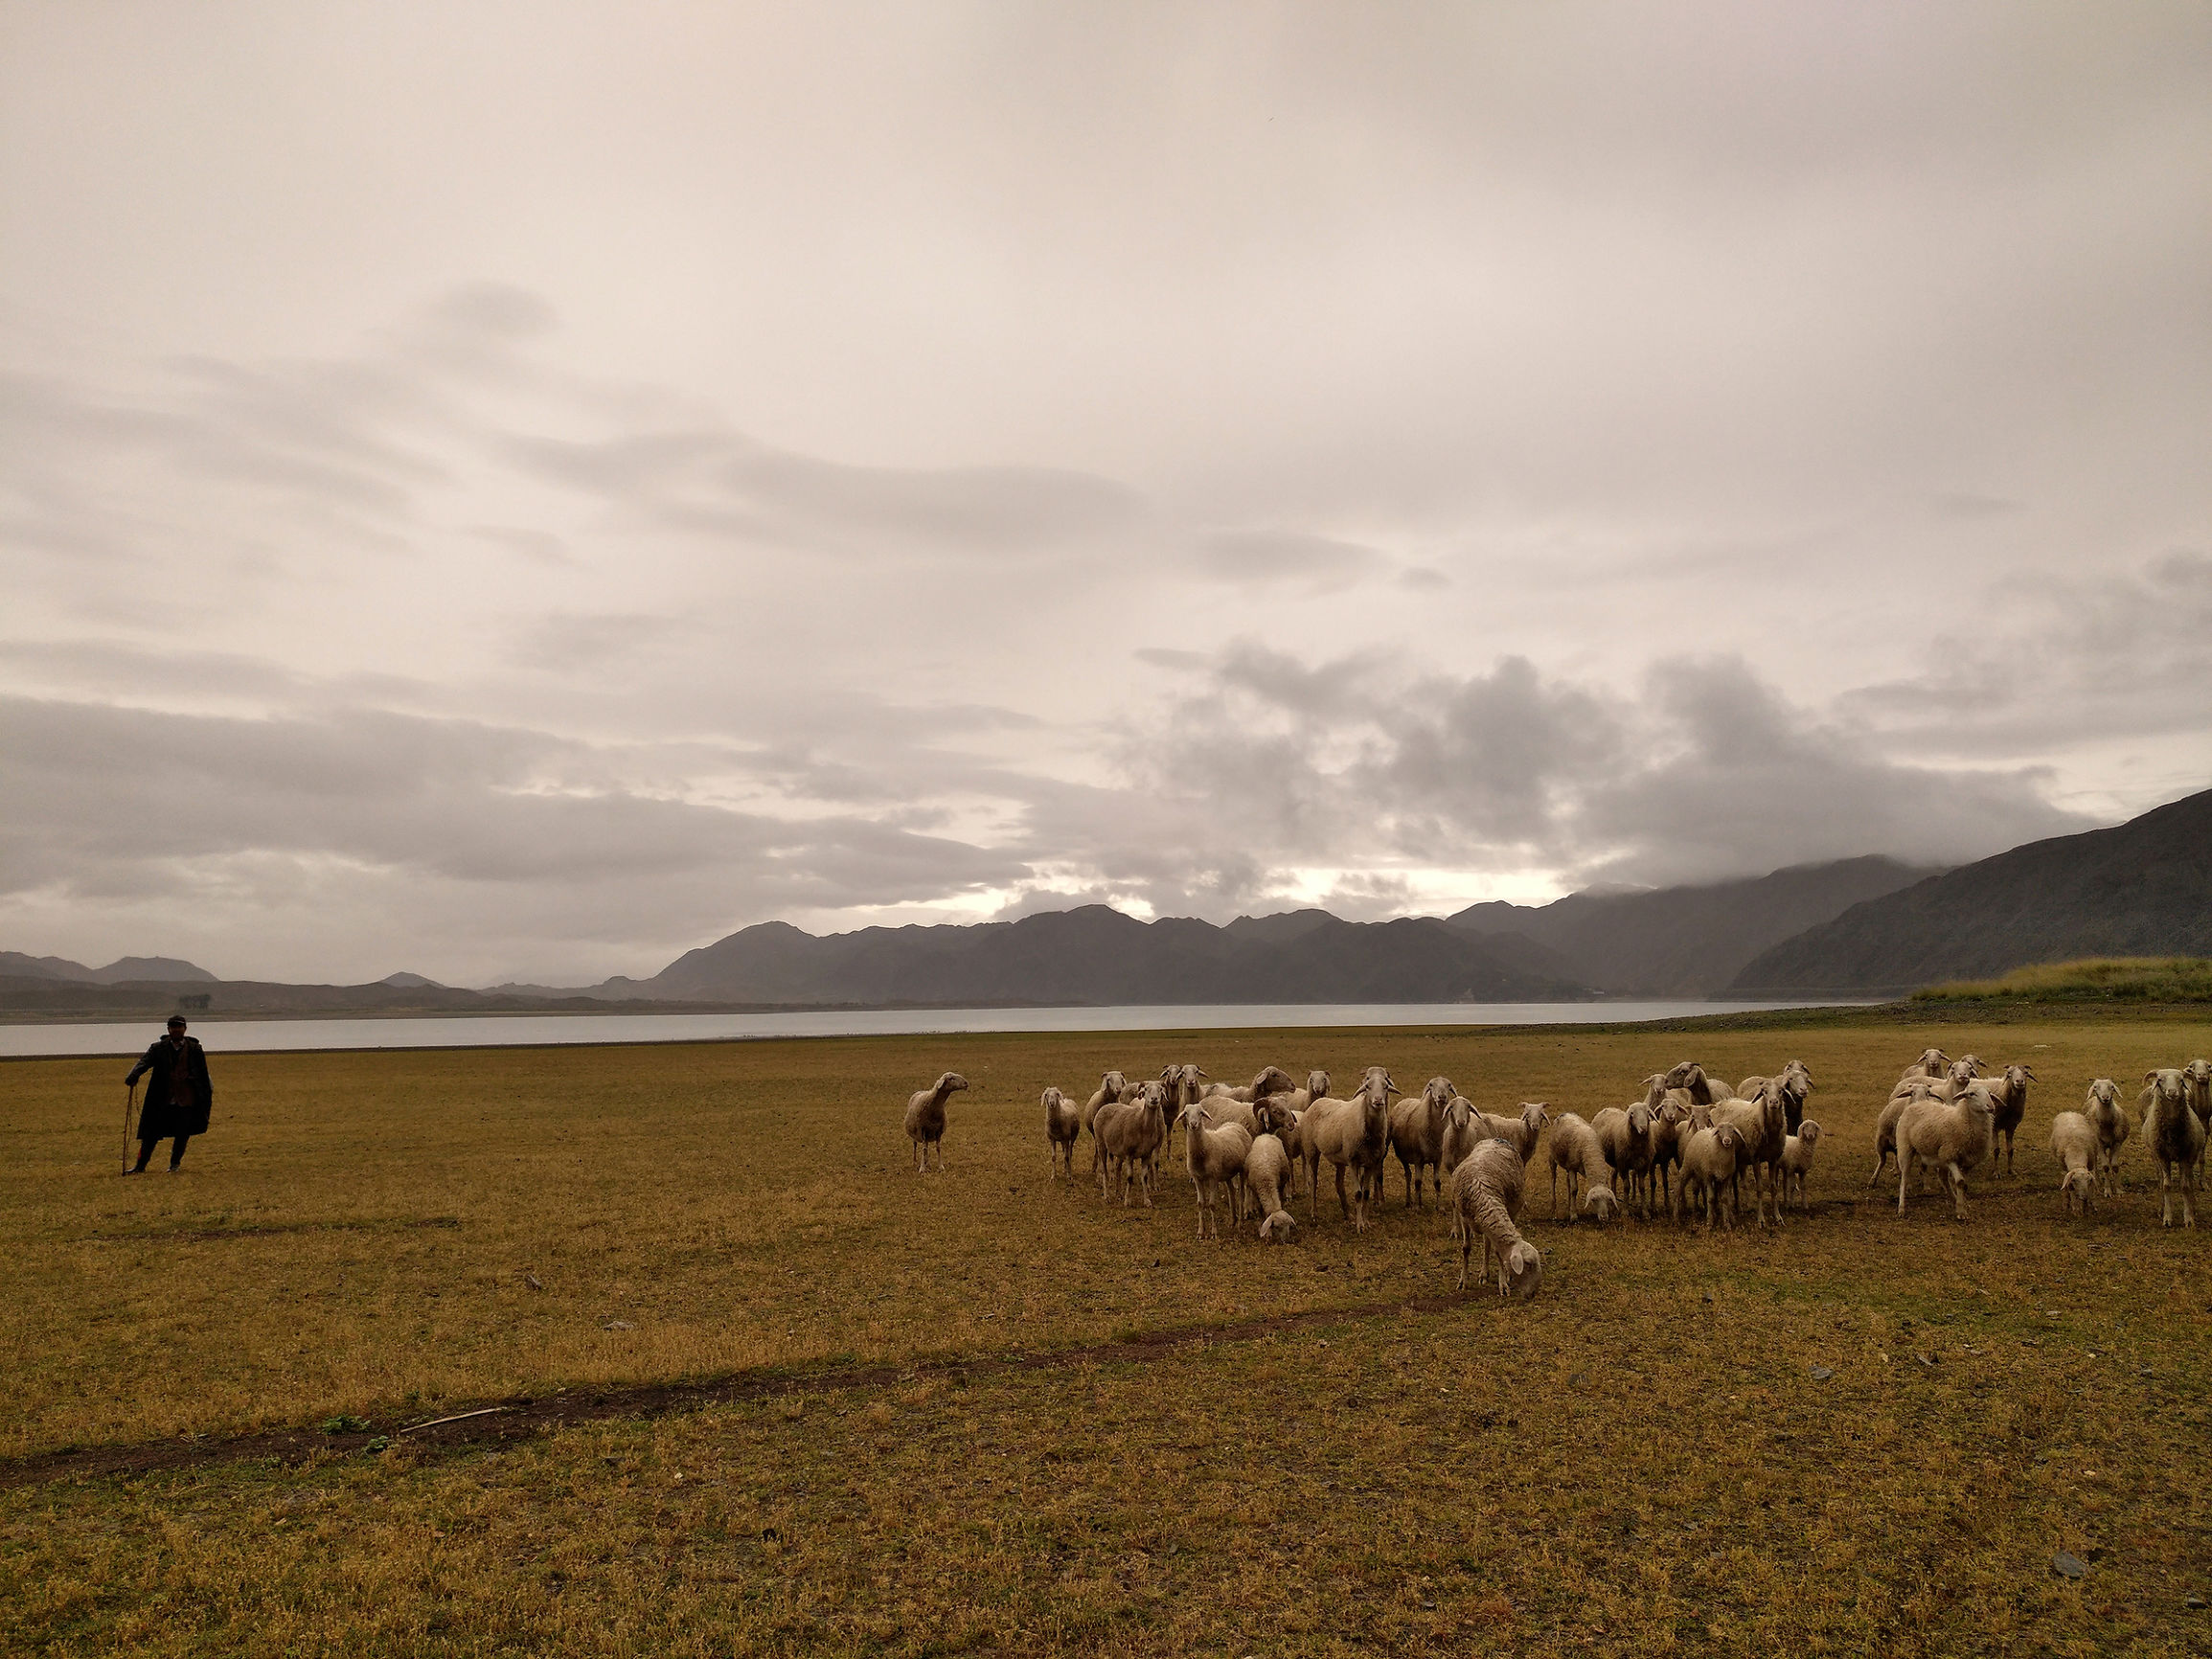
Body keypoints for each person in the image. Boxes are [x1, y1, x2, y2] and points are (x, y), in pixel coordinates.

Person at [124, 1014, 213, 1172]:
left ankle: (175, 1165)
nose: (176, 1030)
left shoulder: (195, 1049)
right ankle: (140, 1166)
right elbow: (144, 1062)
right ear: (168, 1029)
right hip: (161, 1097)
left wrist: (206, 1091)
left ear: (185, 1029)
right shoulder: (158, 1048)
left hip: (186, 1098)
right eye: (173, 1027)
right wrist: (133, 1075)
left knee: (182, 1133)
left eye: (179, 1026)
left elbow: (203, 1072)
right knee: (150, 1134)